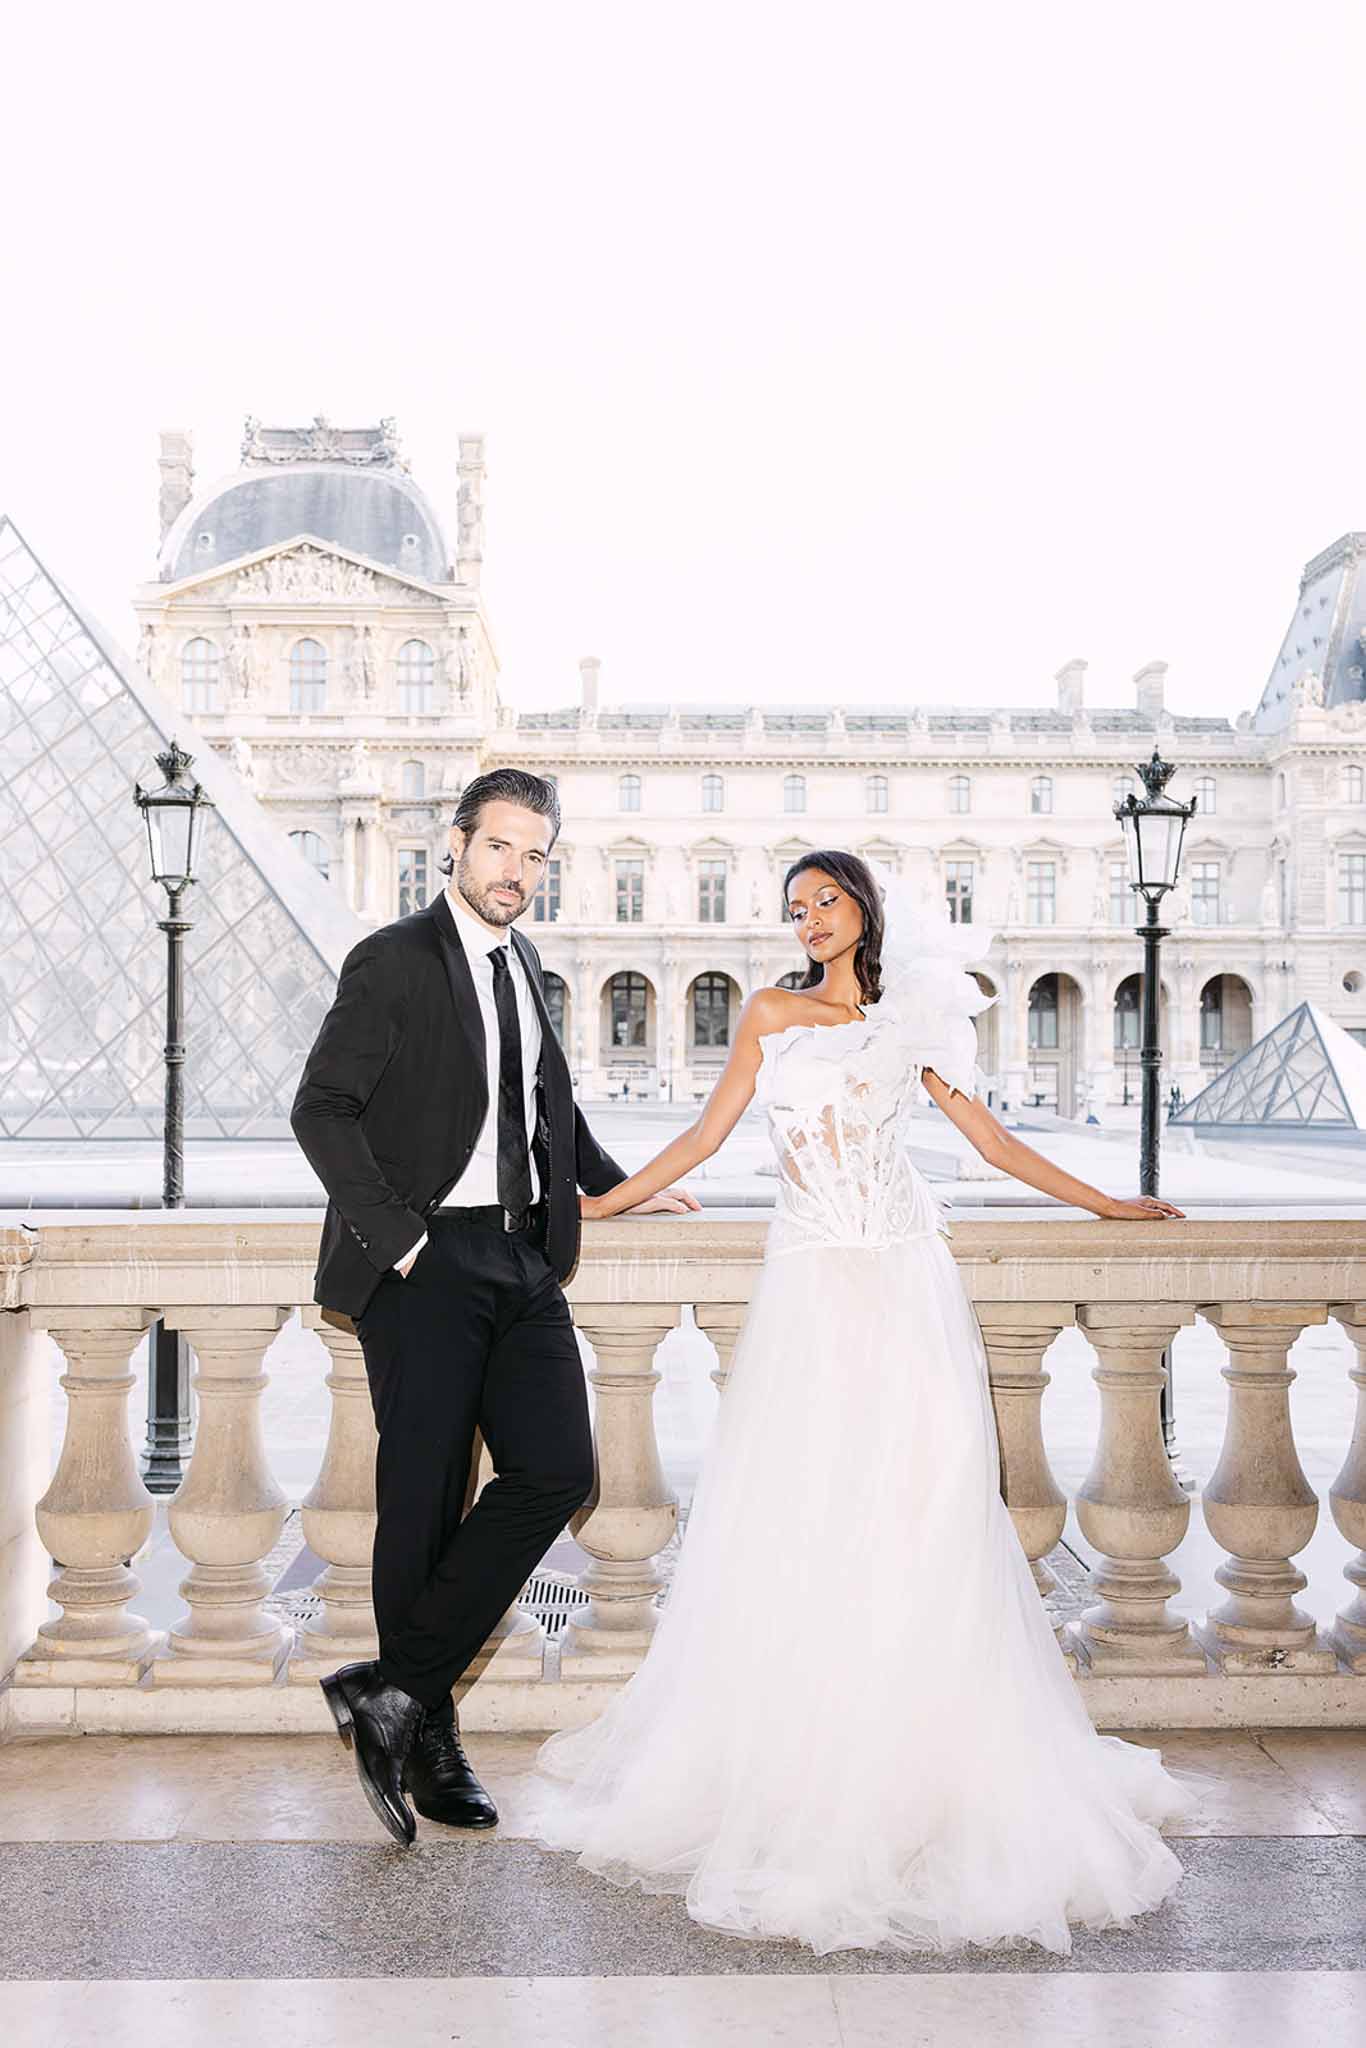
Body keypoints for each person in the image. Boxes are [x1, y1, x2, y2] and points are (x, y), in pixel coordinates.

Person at [530, 849, 1192, 1957]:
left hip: (898, 1274)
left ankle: (925, 1761)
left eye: (825, 898)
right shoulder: (769, 1011)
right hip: (812, 1281)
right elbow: (705, 1134)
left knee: (922, 1510)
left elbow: (985, 1137)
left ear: (862, 907)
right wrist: (600, 1203)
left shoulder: (910, 1016)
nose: (809, 917)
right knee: (806, 1512)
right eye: (794, 906)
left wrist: (1107, 1202)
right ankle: (808, 1758)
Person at [291, 768, 697, 1847]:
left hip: (522, 1257)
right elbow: (321, 1107)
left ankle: (393, 1690)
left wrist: (617, 1187)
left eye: (533, 855)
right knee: (421, 1504)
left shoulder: (524, 965)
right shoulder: (393, 958)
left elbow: (543, 1101)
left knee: (558, 1468)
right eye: (498, 848)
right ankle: (431, 1737)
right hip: (426, 1258)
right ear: (456, 848)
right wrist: (405, 1240)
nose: (514, 871)